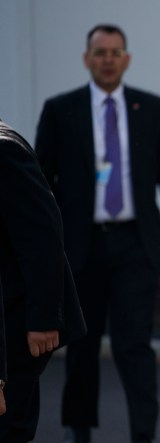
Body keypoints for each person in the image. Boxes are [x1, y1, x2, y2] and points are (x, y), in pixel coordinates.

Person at [34, 24, 160, 443]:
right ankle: (78, 430)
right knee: (82, 345)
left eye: (115, 52)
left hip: (134, 245)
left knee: (134, 345)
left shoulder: (151, 108)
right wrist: (40, 245)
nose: (108, 59)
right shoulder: (61, 109)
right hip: (81, 246)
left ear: (126, 59)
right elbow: (41, 183)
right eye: (100, 52)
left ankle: (143, 434)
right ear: (86, 59)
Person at [0, 120, 87, 442]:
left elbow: (42, 237)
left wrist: (44, 319)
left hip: (15, 323)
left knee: (9, 425)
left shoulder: (4, 150)